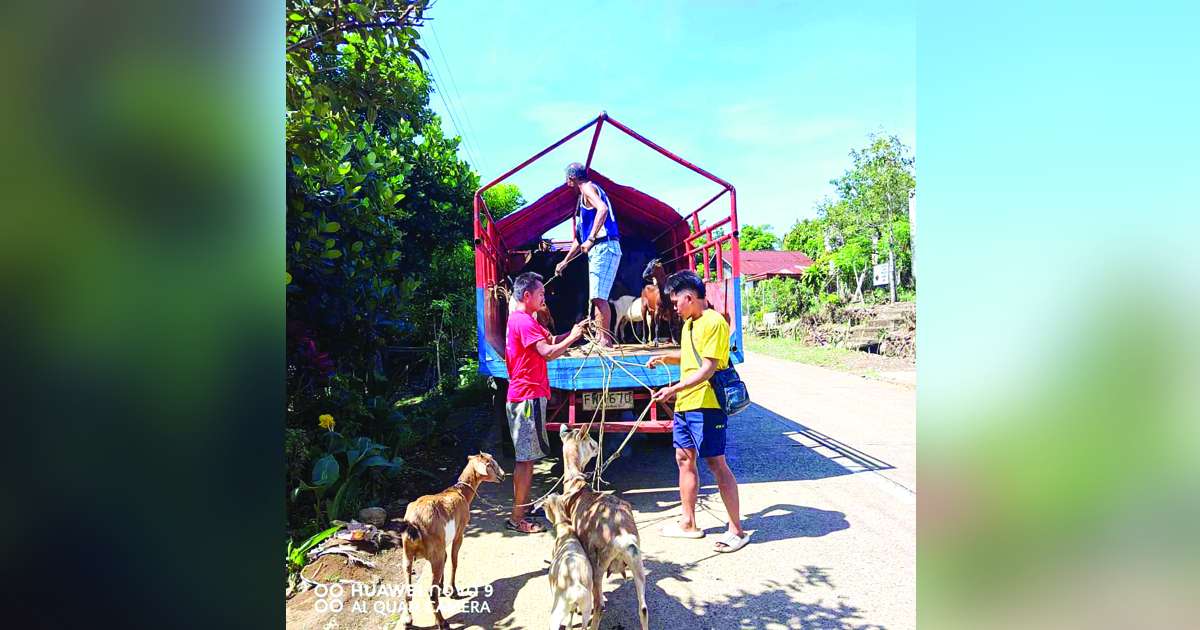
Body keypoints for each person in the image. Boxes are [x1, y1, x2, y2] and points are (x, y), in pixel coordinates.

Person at [647, 271, 750, 553]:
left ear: (689, 298)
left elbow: (708, 367)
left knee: (717, 464)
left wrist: (673, 388)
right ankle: (688, 523)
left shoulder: (714, 322)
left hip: (707, 405)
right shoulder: (689, 324)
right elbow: (691, 355)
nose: (674, 308)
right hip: (686, 405)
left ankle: (737, 531)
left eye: (676, 302)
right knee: (683, 459)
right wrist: (666, 357)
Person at [505, 272, 588, 533]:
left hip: (530, 395)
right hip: (526, 397)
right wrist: (573, 338)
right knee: (526, 460)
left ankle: (524, 507)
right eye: (540, 294)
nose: (544, 297)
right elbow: (548, 353)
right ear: (526, 295)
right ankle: (517, 518)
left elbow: (550, 341)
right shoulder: (523, 321)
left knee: (528, 458)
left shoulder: (527, 321)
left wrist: (576, 331)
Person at [555, 162, 622, 346]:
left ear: (571, 178)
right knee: (597, 296)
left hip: (603, 246)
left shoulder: (587, 189)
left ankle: (604, 341)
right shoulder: (583, 199)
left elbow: (603, 209)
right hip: (599, 248)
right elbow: (578, 239)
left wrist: (591, 238)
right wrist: (565, 261)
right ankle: (601, 339)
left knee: (599, 297)